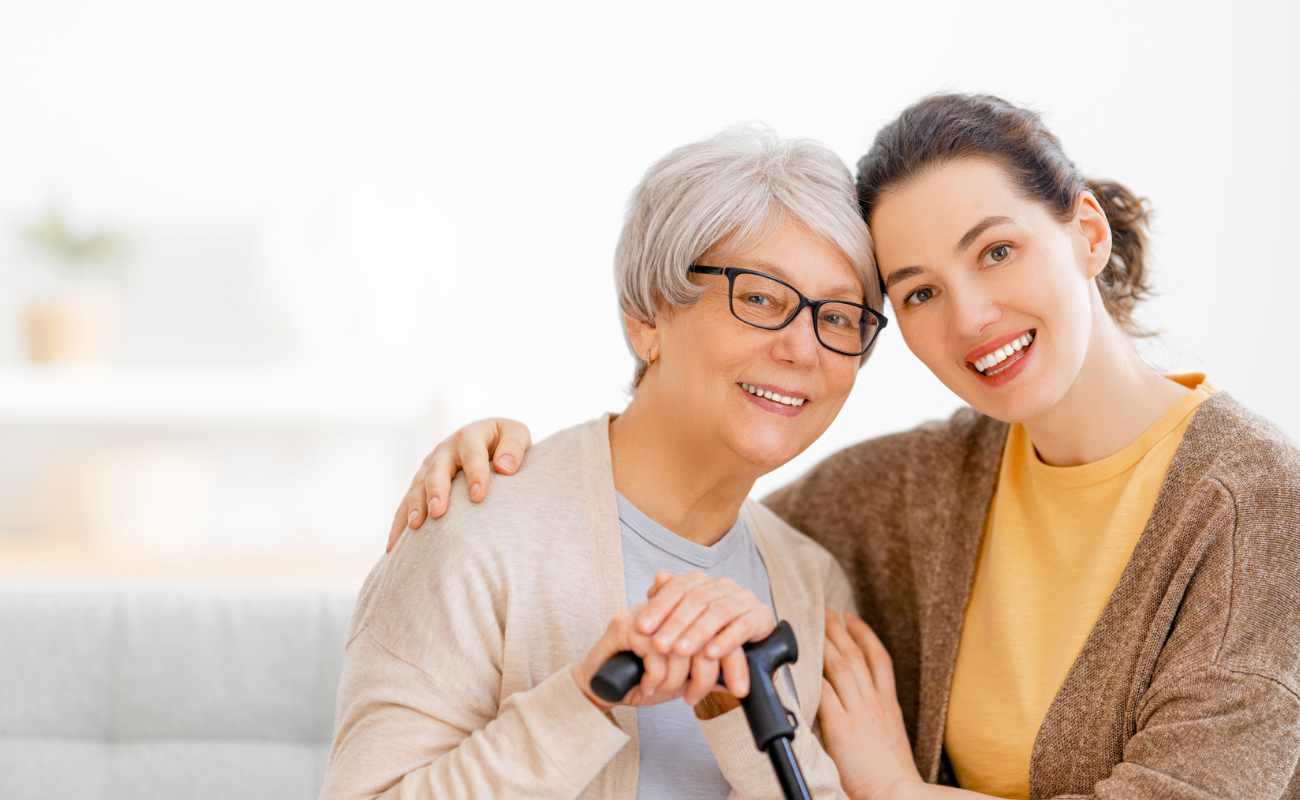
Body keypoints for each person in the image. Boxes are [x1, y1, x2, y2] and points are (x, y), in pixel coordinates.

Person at [389, 94, 1300, 800]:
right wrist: (505, 460)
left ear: (1087, 234)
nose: (971, 316)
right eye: (916, 293)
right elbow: (675, 521)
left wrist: (899, 792)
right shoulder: (909, 490)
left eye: (995, 252)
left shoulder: (1257, 505)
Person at [320, 127, 894, 800]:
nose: (804, 347)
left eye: (841, 315)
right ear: (645, 316)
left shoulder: (810, 582)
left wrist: (739, 710)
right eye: (762, 298)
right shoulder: (474, 532)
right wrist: (587, 700)